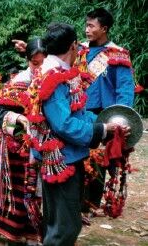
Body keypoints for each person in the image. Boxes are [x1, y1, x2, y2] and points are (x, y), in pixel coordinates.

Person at [32, 23, 128, 245]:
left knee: (59, 220)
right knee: (66, 226)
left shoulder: (60, 73)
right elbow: (64, 125)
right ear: (74, 46)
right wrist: (102, 130)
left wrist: (105, 123)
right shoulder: (53, 78)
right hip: (62, 161)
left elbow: (77, 113)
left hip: (67, 157)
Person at [0, 38, 47, 243]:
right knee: (4, 187)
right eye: (35, 63)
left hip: (40, 147)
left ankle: (30, 232)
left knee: (33, 191)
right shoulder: (19, 81)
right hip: (13, 148)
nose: (39, 67)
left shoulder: (54, 79)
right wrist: (19, 118)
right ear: (27, 61)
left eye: (43, 62)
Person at [81, 8, 135, 222]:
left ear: (104, 29)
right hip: (80, 111)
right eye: (86, 25)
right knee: (79, 156)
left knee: (98, 158)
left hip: (105, 114)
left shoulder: (117, 54)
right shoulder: (79, 50)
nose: (86, 30)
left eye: (91, 26)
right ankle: (78, 201)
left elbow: (124, 88)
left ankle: (90, 203)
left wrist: (121, 115)